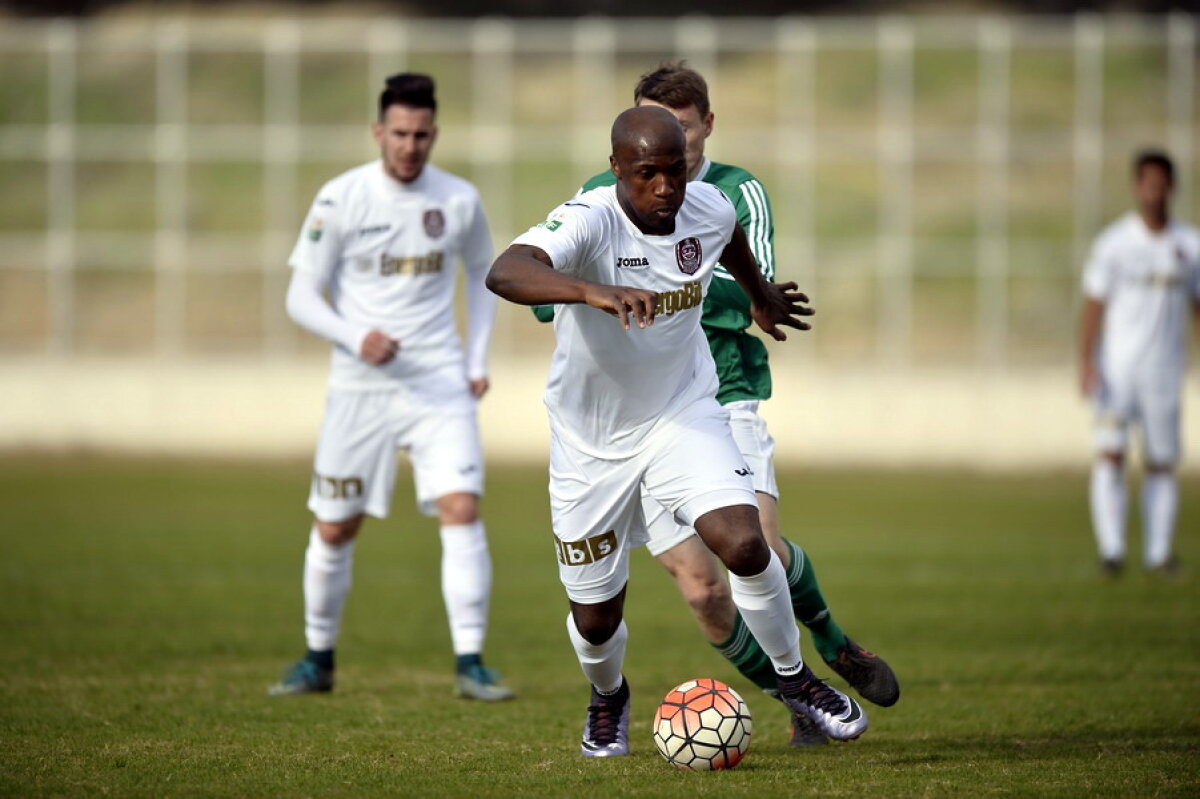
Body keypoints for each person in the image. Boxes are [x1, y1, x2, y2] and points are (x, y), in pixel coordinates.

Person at [533, 62, 898, 747]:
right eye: (649, 168)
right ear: (616, 166)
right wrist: (589, 292)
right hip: (594, 437)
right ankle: (608, 696)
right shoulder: (588, 211)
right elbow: (512, 271)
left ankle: (803, 678)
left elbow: (729, 239)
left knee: (747, 543)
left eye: (677, 157)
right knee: (603, 614)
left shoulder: (719, 197)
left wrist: (758, 294)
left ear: (702, 129)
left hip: (695, 405)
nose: (669, 179)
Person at [269, 73, 513, 701]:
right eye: (400, 133)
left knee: (462, 509)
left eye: (422, 135)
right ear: (379, 131)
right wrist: (356, 336)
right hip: (361, 389)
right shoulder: (341, 198)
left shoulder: (458, 199)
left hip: (438, 385)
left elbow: (487, 277)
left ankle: (471, 663)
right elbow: (300, 295)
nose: (411, 145)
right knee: (334, 526)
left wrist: (476, 359)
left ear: (435, 134)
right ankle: (317, 658)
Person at [1080, 149, 1200, 578]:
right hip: (1118, 369)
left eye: (1161, 182)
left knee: (1162, 461)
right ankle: (1111, 550)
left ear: (1172, 186)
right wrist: (1086, 361)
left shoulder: (1190, 246)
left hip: (1166, 370)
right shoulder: (1115, 244)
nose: (1154, 191)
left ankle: (1159, 554)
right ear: (1137, 186)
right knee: (1110, 453)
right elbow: (1094, 304)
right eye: (1147, 182)